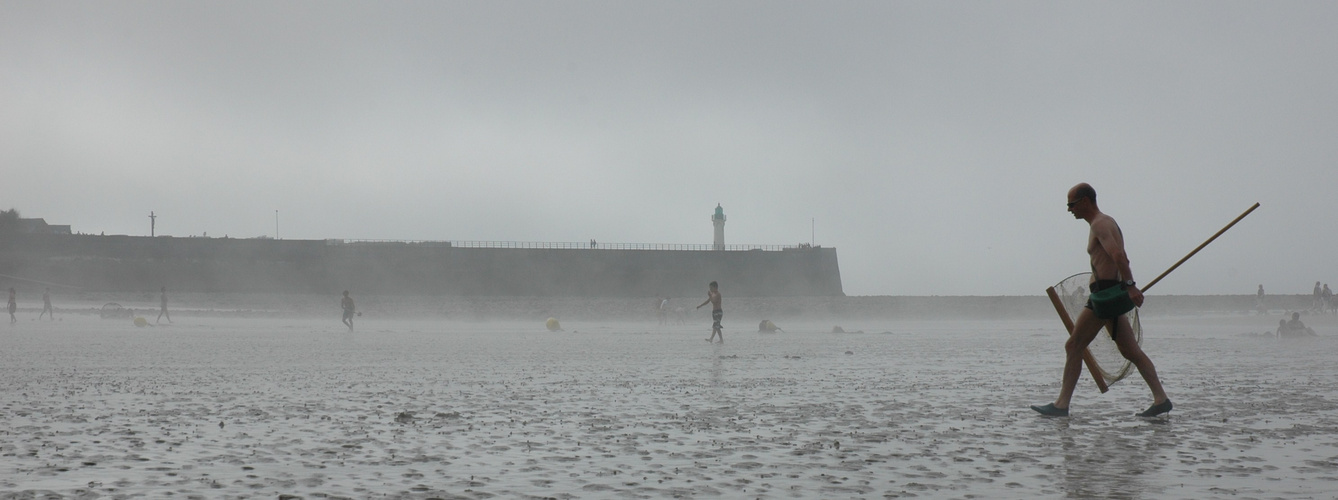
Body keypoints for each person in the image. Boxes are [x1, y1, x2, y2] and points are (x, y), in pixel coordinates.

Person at [1032, 183, 1172, 418]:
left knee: (1073, 345)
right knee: (1131, 351)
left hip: (1106, 296)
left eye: (1071, 204)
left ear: (1085, 201)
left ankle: (1061, 405)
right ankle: (1161, 399)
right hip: (1106, 295)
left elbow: (1119, 255)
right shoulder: (1100, 223)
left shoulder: (1101, 223)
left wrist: (1130, 286)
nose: (1069, 209)